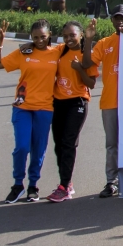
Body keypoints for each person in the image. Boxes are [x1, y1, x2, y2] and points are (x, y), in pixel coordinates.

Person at [0, 19, 58, 203]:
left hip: (45, 108)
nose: (39, 40)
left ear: (49, 35)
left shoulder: (57, 52)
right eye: (35, 37)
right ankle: (17, 184)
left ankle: (33, 185)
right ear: (31, 37)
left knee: (39, 149)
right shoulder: (24, 52)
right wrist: (0, 42)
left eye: (43, 37)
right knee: (22, 147)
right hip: (22, 107)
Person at [45, 21, 97, 202]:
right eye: (65, 36)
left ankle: (64, 186)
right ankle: (66, 183)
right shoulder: (61, 50)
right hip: (58, 102)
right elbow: (43, 50)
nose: (68, 39)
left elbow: (91, 83)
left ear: (81, 35)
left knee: (68, 143)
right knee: (59, 144)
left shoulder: (86, 54)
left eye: (72, 35)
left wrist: (79, 69)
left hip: (78, 102)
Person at [81, 7, 123, 198]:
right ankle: (112, 182)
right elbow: (86, 64)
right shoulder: (104, 43)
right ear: (111, 21)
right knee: (112, 144)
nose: (120, 22)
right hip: (110, 101)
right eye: (116, 19)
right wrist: (89, 40)